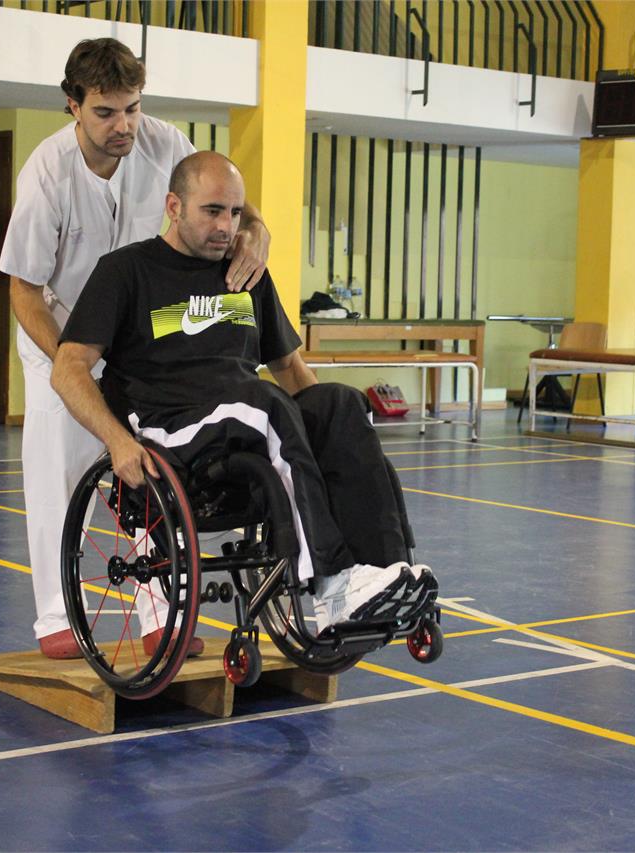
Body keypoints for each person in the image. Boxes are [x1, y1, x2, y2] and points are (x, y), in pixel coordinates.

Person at [52, 152, 437, 636]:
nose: (226, 226)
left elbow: (291, 369)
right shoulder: (126, 272)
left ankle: (385, 577)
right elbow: (68, 369)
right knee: (263, 403)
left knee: (339, 404)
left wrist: (324, 434)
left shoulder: (245, 272)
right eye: (212, 211)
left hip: (244, 420)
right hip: (171, 429)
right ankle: (331, 582)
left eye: (235, 213)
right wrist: (115, 440)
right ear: (174, 207)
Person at [0, 38, 271, 659]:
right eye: (106, 113)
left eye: (132, 109)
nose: (123, 126)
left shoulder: (167, 144)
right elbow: (24, 289)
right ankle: (55, 619)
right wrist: (76, 360)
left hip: (137, 336)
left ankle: (160, 614)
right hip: (59, 334)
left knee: (151, 466)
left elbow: (240, 213)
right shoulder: (45, 172)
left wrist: (259, 233)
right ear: (73, 105)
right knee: (61, 473)